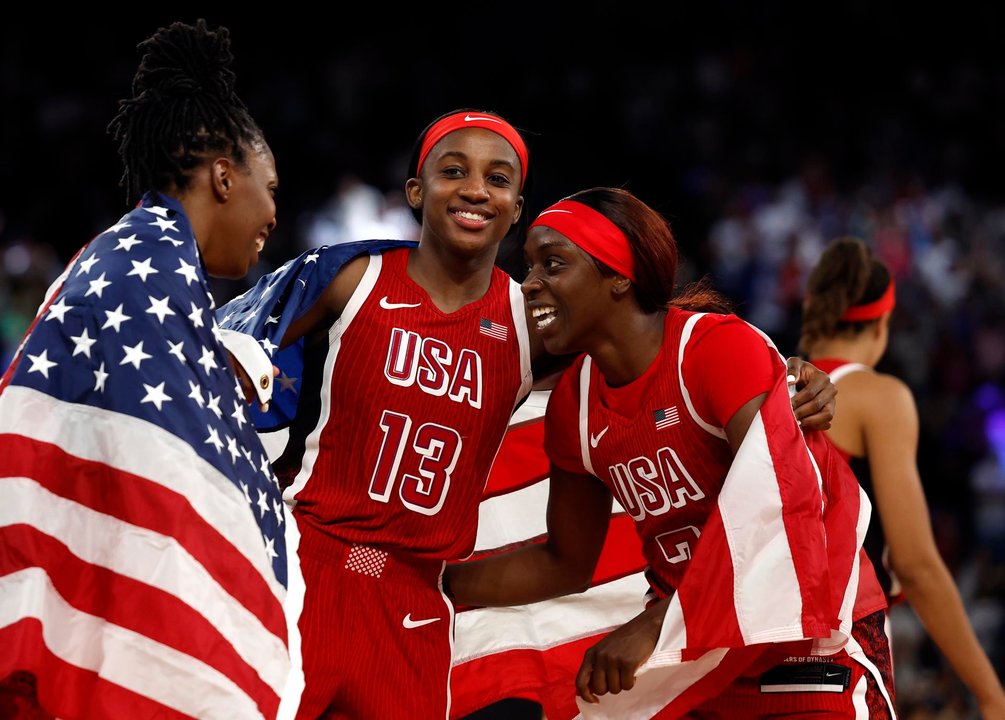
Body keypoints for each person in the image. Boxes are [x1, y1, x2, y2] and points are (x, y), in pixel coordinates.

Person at [217, 111, 838, 719]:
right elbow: (233, 351)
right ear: (415, 190)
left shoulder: (530, 321)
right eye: (453, 170)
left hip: (414, 596)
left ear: (515, 208)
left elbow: (651, 341)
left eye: (498, 178)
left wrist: (788, 376)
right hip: (310, 562)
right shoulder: (353, 274)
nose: (475, 189)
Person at [444, 187, 898, 719]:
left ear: (619, 276)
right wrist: (438, 582)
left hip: (806, 637)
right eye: (530, 266)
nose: (531, 284)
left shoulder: (714, 350)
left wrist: (655, 623)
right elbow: (564, 563)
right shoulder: (575, 403)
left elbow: (782, 510)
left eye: (553, 264)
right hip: (698, 654)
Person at [0, 20, 288, 720]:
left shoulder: (150, 260)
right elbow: (152, 484)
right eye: (270, 187)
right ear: (224, 174)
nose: (274, 215)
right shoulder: (146, 264)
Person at [800, 236, 1005, 719]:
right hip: (836, 653)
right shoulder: (877, 395)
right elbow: (916, 563)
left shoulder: (765, 383)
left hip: (749, 652)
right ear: (882, 324)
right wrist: (990, 691)